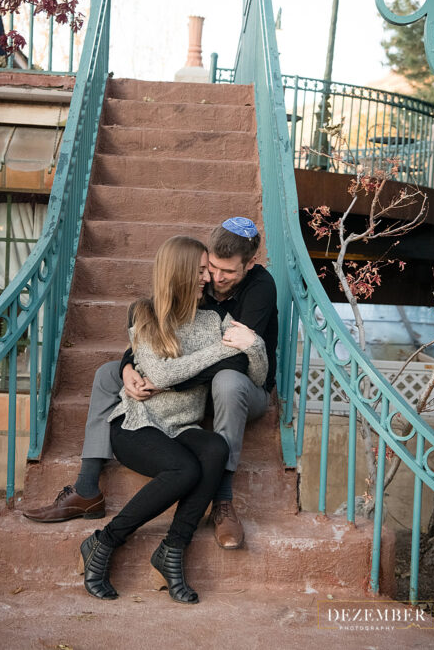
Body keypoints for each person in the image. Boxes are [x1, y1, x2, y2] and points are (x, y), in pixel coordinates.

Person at [25, 217, 277, 550]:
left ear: (249, 265)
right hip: (190, 372)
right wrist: (130, 365)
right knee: (105, 374)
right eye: (210, 268)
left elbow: (237, 360)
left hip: (240, 384)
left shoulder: (259, 288)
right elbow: (160, 330)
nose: (215, 279)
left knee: (227, 382)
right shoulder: (194, 286)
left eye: (226, 273)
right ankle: (87, 488)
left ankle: (223, 500)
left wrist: (163, 382)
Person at [76, 236, 266, 603]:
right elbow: (161, 375)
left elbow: (252, 376)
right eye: (198, 272)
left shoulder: (215, 319)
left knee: (214, 447)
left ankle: (172, 550)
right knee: (185, 471)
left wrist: (253, 345)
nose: (207, 279)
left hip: (183, 427)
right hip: (137, 424)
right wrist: (220, 350)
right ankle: (104, 542)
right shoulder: (145, 313)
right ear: (178, 275)